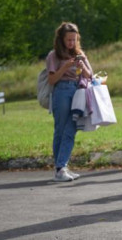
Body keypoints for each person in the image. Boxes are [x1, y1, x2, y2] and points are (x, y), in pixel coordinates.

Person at [45, 22, 93, 182]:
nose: (72, 43)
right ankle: (60, 168)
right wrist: (65, 67)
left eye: (74, 39)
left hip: (78, 92)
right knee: (60, 129)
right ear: (61, 39)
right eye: (69, 40)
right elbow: (51, 80)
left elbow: (90, 76)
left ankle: (62, 167)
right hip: (62, 91)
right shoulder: (53, 55)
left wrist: (82, 66)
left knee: (72, 128)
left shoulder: (79, 54)